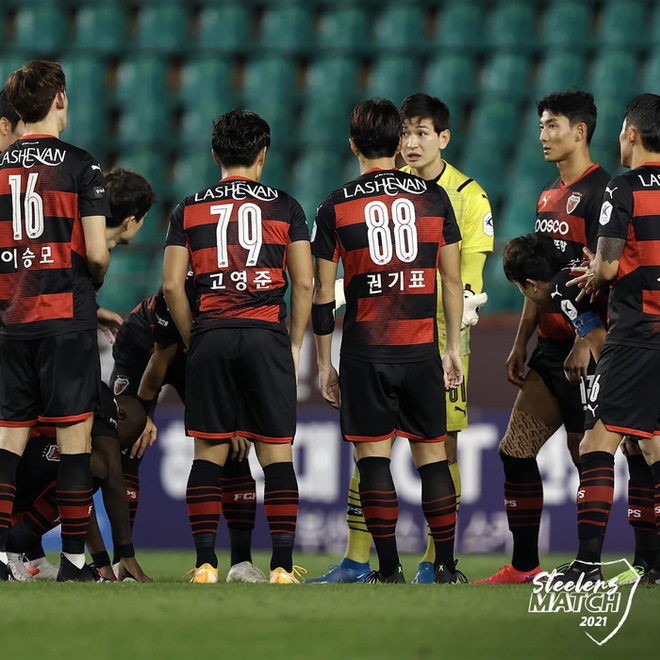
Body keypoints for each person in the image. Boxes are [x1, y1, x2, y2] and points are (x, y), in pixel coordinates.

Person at [309, 93, 493, 584]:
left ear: (353, 145)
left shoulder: (334, 206)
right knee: (433, 455)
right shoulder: (435, 199)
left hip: (366, 349)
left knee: (372, 456)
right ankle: (445, 567)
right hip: (421, 348)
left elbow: (322, 293)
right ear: (397, 142)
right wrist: (451, 349)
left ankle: (386, 568)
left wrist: (324, 362)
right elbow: (452, 281)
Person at [163, 109, 313, 584]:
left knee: (208, 453)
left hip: (211, 333)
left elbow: (171, 287)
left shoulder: (188, 208)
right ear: (262, 155)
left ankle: (206, 564)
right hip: (265, 331)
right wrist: (291, 345)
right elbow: (305, 285)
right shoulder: (286, 207)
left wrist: (195, 338)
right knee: (275, 454)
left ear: (215, 155)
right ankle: (284, 568)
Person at [476, 91, 612, 584]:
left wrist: (587, 336)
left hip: (591, 350)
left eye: (552, 126)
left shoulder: (604, 194)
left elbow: (609, 277)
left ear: (579, 131)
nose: (542, 136)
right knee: (514, 450)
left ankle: (591, 565)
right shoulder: (547, 196)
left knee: (587, 457)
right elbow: (541, 281)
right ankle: (525, 565)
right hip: (551, 348)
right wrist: (519, 343)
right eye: (539, 127)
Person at [0, 60, 110, 582]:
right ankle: (72, 562)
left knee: (9, 437)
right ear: (60, 100)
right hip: (65, 315)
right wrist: (94, 276)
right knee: (74, 437)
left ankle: (0, 559)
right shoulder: (82, 166)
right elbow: (97, 252)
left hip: (10, 317)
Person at [558, 94, 660, 586]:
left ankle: (587, 563)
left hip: (637, 332)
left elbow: (609, 265)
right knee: (655, 445)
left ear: (632, 135)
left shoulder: (624, 188)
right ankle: (653, 563)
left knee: (599, 442)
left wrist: (594, 275)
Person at [110, 277, 265, 583]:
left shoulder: (236, 295)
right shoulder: (179, 291)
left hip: (200, 359)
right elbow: (161, 360)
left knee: (232, 448)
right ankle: (121, 562)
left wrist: (234, 419)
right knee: (128, 444)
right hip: (142, 355)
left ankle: (241, 564)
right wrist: (143, 415)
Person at [5, 390, 152, 583]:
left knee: (77, 472)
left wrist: (102, 563)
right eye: (119, 440)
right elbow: (113, 479)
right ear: (119, 415)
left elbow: (81, 498)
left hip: (19, 453)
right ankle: (14, 544)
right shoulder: (101, 399)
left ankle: (32, 556)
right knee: (95, 465)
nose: (116, 447)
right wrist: (127, 554)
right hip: (16, 446)